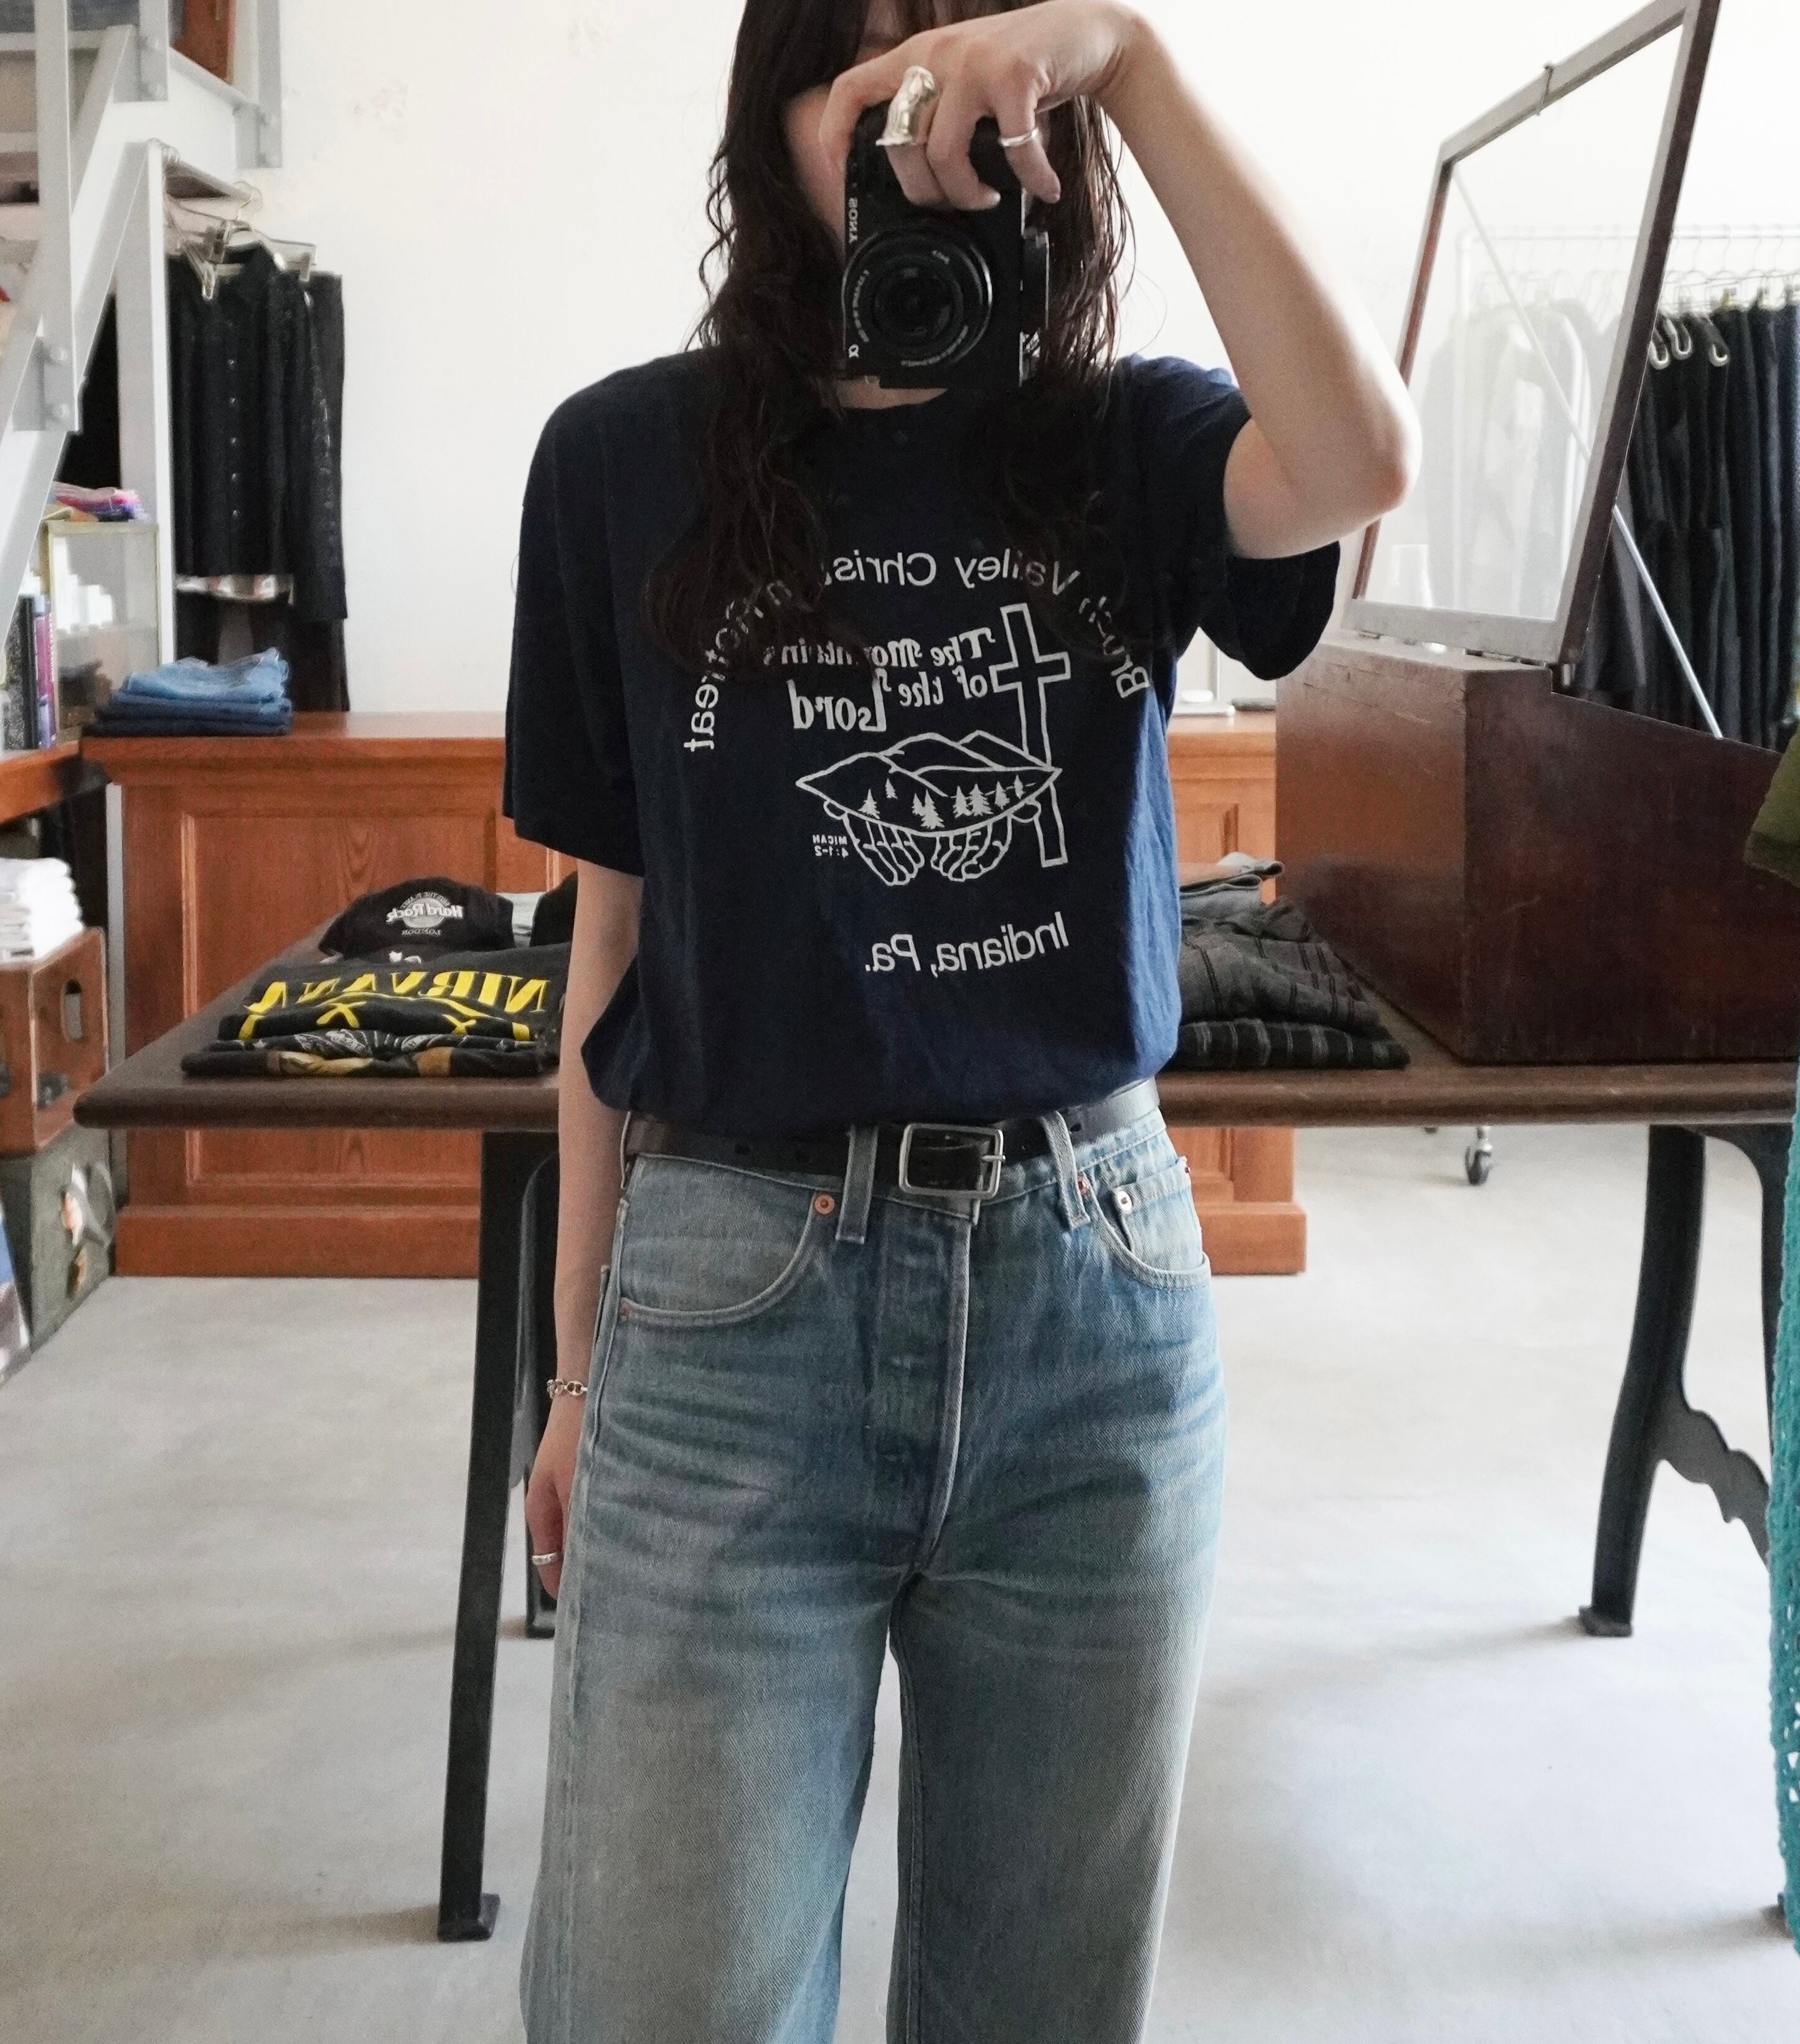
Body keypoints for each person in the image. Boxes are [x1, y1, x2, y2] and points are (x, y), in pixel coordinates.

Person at [505, 2, 1418, 2037]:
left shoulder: (1123, 443)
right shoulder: (624, 460)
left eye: (964, 67)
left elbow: (1361, 455)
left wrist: (1132, 53)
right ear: (774, 121)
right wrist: (573, 1373)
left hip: (1089, 1297)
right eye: (863, 75)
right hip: (731, 1300)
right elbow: (608, 939)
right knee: (664, 2000)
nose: (916, 122)